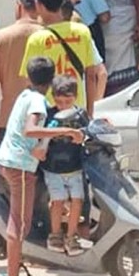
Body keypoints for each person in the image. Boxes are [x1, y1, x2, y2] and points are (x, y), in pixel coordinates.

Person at [0, 57, 84, 276]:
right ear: (51, 81)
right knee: (19, 226)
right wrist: (66, 131)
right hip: (20, 167)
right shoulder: (38, 102)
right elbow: (30, 129)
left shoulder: (25, 95)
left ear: (29, 77)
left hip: (11, 161)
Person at [19, 0, 97, 115]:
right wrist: (90, 113)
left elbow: (29, 82)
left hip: (47, 112)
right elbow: (91, 76)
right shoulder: (82, 31)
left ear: (38, 5)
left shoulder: (37, 39)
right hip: (76, 110)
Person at [43, 75, 91, 257]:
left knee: (77, 201)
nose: (63, 105)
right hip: (53, 168)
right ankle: (55, 234)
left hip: (75, 167)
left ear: (76, 97)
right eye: (59, 101)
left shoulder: (80, 116)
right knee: (58, 201)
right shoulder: (49, 115)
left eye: (68, 101)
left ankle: (71, 236)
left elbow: (89, 132)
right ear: (53, 97)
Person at [0, 0, 39, 141]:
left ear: (19, 6)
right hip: (41, 120)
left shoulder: (2, 37)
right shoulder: (47, 35)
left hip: (10, 117)